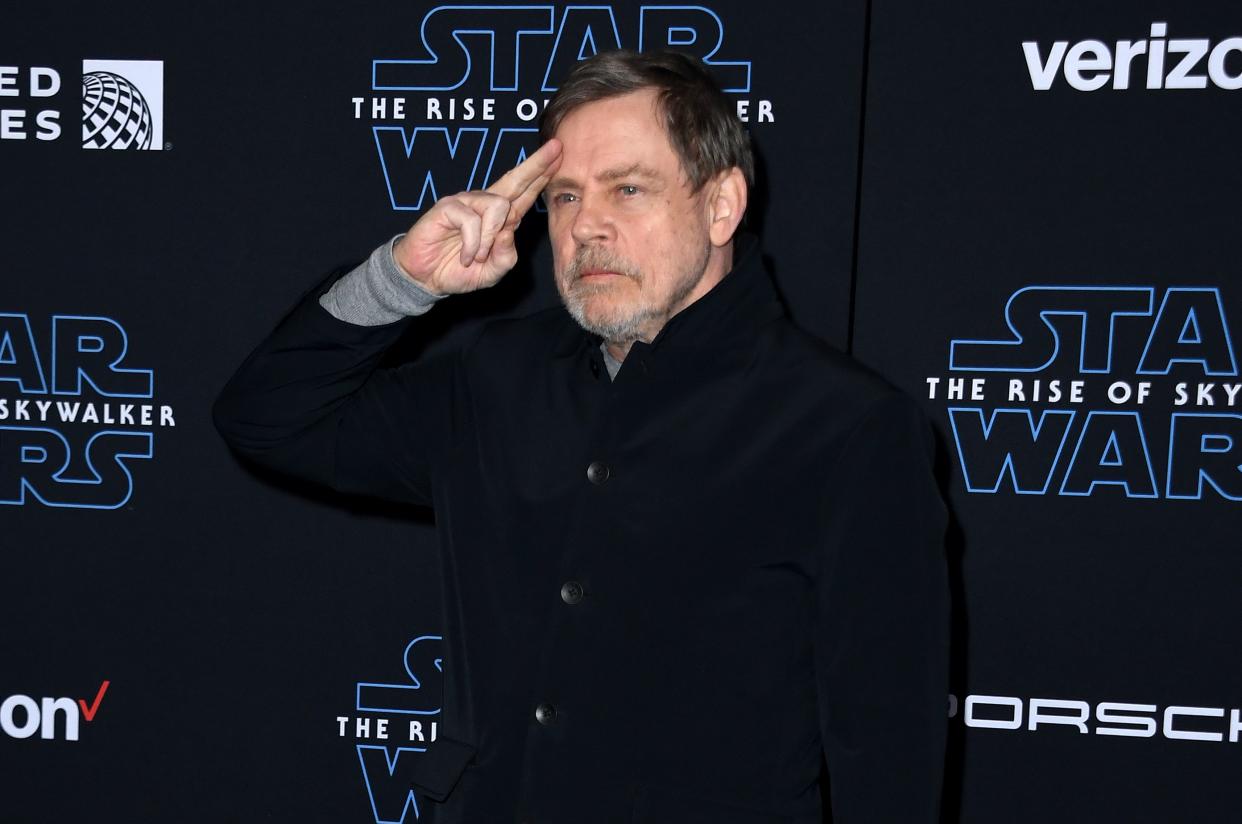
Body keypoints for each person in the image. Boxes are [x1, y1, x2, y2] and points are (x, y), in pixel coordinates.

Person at [215, 49, 948, 823]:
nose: (586, 225)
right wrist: (403, 277)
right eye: (564, 197)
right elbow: (266, 417)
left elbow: (887, 750)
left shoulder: (847, 427)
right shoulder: (496, 374)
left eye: (628, 189)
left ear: (721, 204)